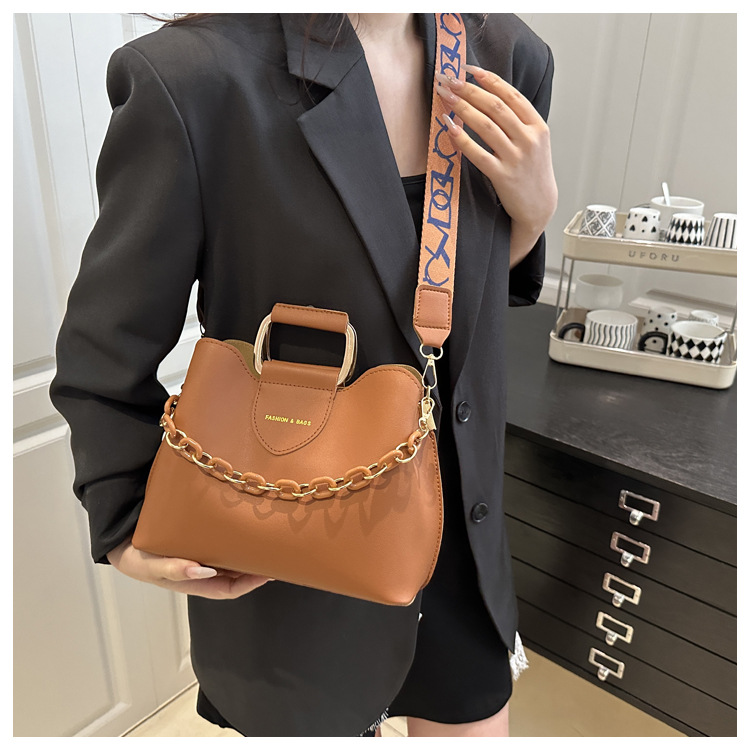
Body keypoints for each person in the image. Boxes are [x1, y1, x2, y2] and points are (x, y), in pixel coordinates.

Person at [49, 12, 556, 738]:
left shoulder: (509, 55)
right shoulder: (194, 77)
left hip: (462, 542)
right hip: (292, 543)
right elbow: (106, 343)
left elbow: (466, 301)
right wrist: (123, 517)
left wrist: (532, 213)